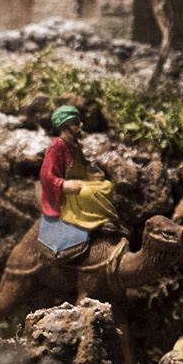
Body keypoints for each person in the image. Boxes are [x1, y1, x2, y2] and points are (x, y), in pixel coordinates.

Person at [36, 104, 121, 254]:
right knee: (87, 193)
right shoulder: (56, 145)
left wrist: (91, 175)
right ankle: (93, 220)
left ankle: (103, 218)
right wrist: (63, 185)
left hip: (79, 182)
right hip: (67, 193)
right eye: (76, 123)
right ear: (65, 126)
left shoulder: (75, 145)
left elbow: (80, 167)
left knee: (107, 185)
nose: (80, 125)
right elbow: (46, 175)